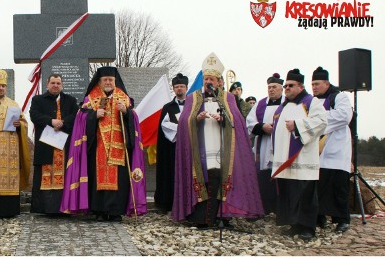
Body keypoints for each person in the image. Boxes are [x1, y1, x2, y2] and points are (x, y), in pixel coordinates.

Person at [172, 53, 263, 227]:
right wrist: (195, 119)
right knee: (204, 180)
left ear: (219, 81)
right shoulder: (193, 98)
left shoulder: (227, 98)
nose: (208, 82)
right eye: (206, 78)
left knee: (221, 180)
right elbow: (183, 121)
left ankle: (222, 217)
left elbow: (237, 121)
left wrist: (224, 121)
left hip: (222, 149)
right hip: (200, 150)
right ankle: (201, 218)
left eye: (212, 79)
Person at [60, 66, 147, 221]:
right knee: (96, 179)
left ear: (115, 82)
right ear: (99, 82)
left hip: (119, 148)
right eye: (105, 80)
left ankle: (115, 212)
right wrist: (94, 115)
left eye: (111, 80)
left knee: (119, 181)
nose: (108, 82)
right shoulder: (90, 99)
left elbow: (133, 120)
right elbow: (81, 119)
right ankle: (99, 211)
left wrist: (126, 112)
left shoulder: (124, 98)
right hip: (97, 147)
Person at [271, 68, 327, 241]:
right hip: (284, 160)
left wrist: (297, 125)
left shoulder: (312, 102)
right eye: (285, 85)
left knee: (305, 195)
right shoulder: (283, 106)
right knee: (290, 193)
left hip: (303, 159)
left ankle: (307, 228)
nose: (286, 88)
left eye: (290, 85)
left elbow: (322, 122)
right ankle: (293, 224)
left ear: (301, 87)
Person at [0, 69, 31, 218]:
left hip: (10, 145)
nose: (1, 88)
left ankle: (8, 211)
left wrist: (18, 124)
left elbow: (24, 123)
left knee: (9, 177)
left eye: (3, 86)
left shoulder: (13, 103)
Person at [29, 74, 79, 215]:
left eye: (58, 83)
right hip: (46, 144)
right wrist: (51, 121)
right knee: (46, 174)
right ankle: (47, 209)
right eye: (53, 83)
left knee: (64, 175)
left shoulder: (70, 100)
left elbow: (75, 115)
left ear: (62, 85)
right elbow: (34, 115)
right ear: (47, 84)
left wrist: (62, 123)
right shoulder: (38, 99)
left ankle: (64, 208)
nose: (55, 85)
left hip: (64, 146)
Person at [311, 66, 352, 233]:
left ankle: (342, 219)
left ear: (327, 83)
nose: (314, 87)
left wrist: (319, 120)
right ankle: (319, 217)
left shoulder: (340, 97)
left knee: (338, 186)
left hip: (336, 148)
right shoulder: (312, 100)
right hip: (317, 150)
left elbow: (344, 116)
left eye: (317, 83)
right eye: (312, 84)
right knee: (318, 186)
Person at [246, 73, 285, 214]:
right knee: (263, 177)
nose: (271, 90)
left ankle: (280, 209)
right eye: (269, 87)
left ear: (282, 88)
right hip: (264, 145)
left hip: (282, 146)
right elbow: (250, 122)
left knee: (281, 176)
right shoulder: (260, 104)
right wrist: (262, 127)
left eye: (274, 87)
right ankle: (264, 207)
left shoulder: (288, 103)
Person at [154, 73, 188, 212]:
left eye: (181, 86)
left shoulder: (193, 105)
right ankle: (170, 202)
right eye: (176, 87)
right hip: (172, 147)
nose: (179, 89)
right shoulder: (168, 107)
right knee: (172, 173)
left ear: (186, 88)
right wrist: (181, 128)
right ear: (173, 89)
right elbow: (164, 126)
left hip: (190, 147)